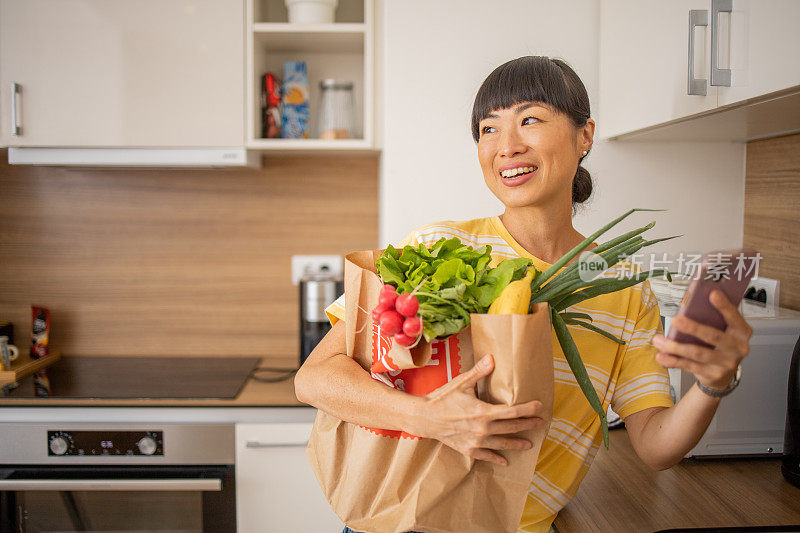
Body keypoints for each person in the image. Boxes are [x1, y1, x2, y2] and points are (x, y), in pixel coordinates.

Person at [295, 56, 753, 533]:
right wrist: (427, 417)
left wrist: (712, 384)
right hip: (403, 522)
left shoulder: (621, 285)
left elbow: (657, 445)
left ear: (584, 136)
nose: (506, 147)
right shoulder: (437, 250)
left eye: (530, 120)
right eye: (488, 129)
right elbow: (315, 378)